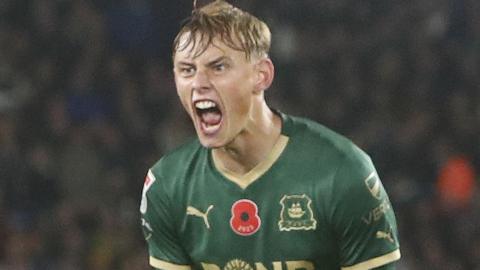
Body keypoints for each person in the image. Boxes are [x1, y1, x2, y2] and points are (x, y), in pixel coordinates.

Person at [140, 1, 401, 269]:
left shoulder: (343, 172)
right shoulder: (167, 186)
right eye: (187, 70)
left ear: (262, 75)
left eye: (218, 67)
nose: (198, 83)